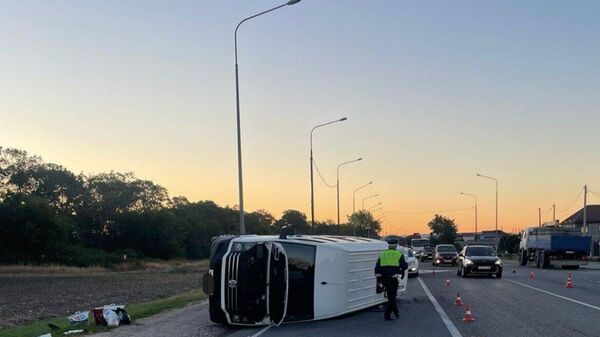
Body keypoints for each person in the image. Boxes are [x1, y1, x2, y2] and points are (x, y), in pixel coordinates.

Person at [374, 238, 408, 321]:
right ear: (396, 245)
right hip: (393, 278)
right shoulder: (398, 254)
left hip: (384, 278)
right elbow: (404, 266)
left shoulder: (383, 254)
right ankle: (387, 315)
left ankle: (396, 312)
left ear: (388, 245)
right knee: (392, 297)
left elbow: (377, 268)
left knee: (391, 296)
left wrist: (379, 278)